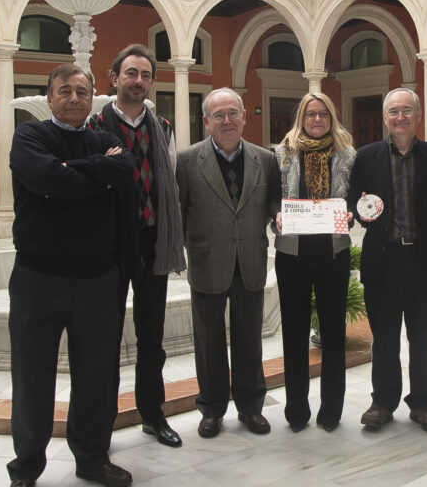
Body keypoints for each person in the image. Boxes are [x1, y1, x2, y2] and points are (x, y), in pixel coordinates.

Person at [6, 64, 136, 487]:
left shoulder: (103, 138)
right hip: (38, 279)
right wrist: (93, 173)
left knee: (97, 375)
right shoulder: (30, 137)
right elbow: (43, 178)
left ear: (93, 96)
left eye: (83, 91)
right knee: (32, 377)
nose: (75, 98)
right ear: (49, 97)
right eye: (65, 90)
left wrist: (71, 173)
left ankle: (93, 457)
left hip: (98, 279)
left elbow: (124, 171)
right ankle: (25, 469)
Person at [86, 44, 186, 449]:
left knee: (152, 337)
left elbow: (171, 181)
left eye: (145, 74)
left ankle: (152, 413)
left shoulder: (162, 127)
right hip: (109, 245)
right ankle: (102, 420)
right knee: (105, 338)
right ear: (114, 78)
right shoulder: (94, 126)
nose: (138, 81)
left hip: (151, 241)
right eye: (130, 73)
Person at [348, 87, 427, 432]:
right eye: (393, 111)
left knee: (422, 337)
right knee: (383, 338)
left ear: (418, 115)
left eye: (406, 111)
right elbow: (354, 203)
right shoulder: (366, 157)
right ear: (384, 117)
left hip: (425, 261)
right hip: (383, 260)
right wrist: (362, 210)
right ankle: (382, 402)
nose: (400, 117)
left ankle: (422, 403)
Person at [175, 87, 281, 438]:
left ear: (244, 117)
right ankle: (211, 408)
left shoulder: (265, 159)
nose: (227, 120)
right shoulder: (188, 161)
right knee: (209, 342)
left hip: (249, 260)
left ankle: (251, 407)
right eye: (218, 115)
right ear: (206, 120)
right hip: (208, 261)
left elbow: (273, 207)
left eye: (233, 113)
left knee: (250, 338)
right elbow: (180, 211)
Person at [273, 93, 356, 432]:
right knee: (293, 333)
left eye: (323, 114)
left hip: (332, 253)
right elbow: (269, 197)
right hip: (292, 253)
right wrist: (275, 215)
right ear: (301, 118)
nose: (317, 119)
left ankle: (331, 410)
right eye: (311, 114)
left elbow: (357, 195)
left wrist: (352, 214)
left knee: (333, 332)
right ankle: (296, 411)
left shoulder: (348, 155)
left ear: (331, 117)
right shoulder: (282, 154)